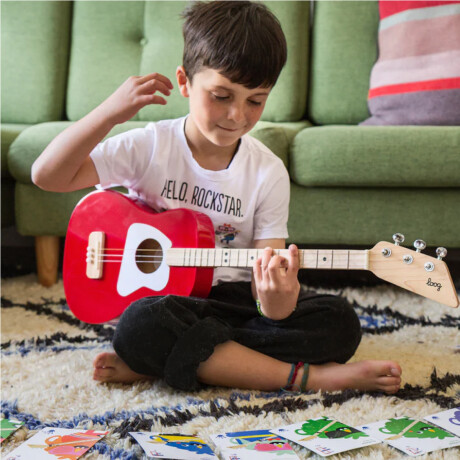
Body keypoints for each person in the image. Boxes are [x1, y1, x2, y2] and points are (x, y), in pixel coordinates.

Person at [32, 1, 401, 394]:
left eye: (255, 100)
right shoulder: (150, 145)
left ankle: (166, 362)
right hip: (170, 303)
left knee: (339, 321)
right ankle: (307, 378)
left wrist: (277, 302)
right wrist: (108, 113)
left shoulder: (268, 171)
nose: (237, 116)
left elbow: (267, 292)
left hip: (235, 303)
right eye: (221, 96)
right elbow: (47, 175)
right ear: (185, 82)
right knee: (141, 323)